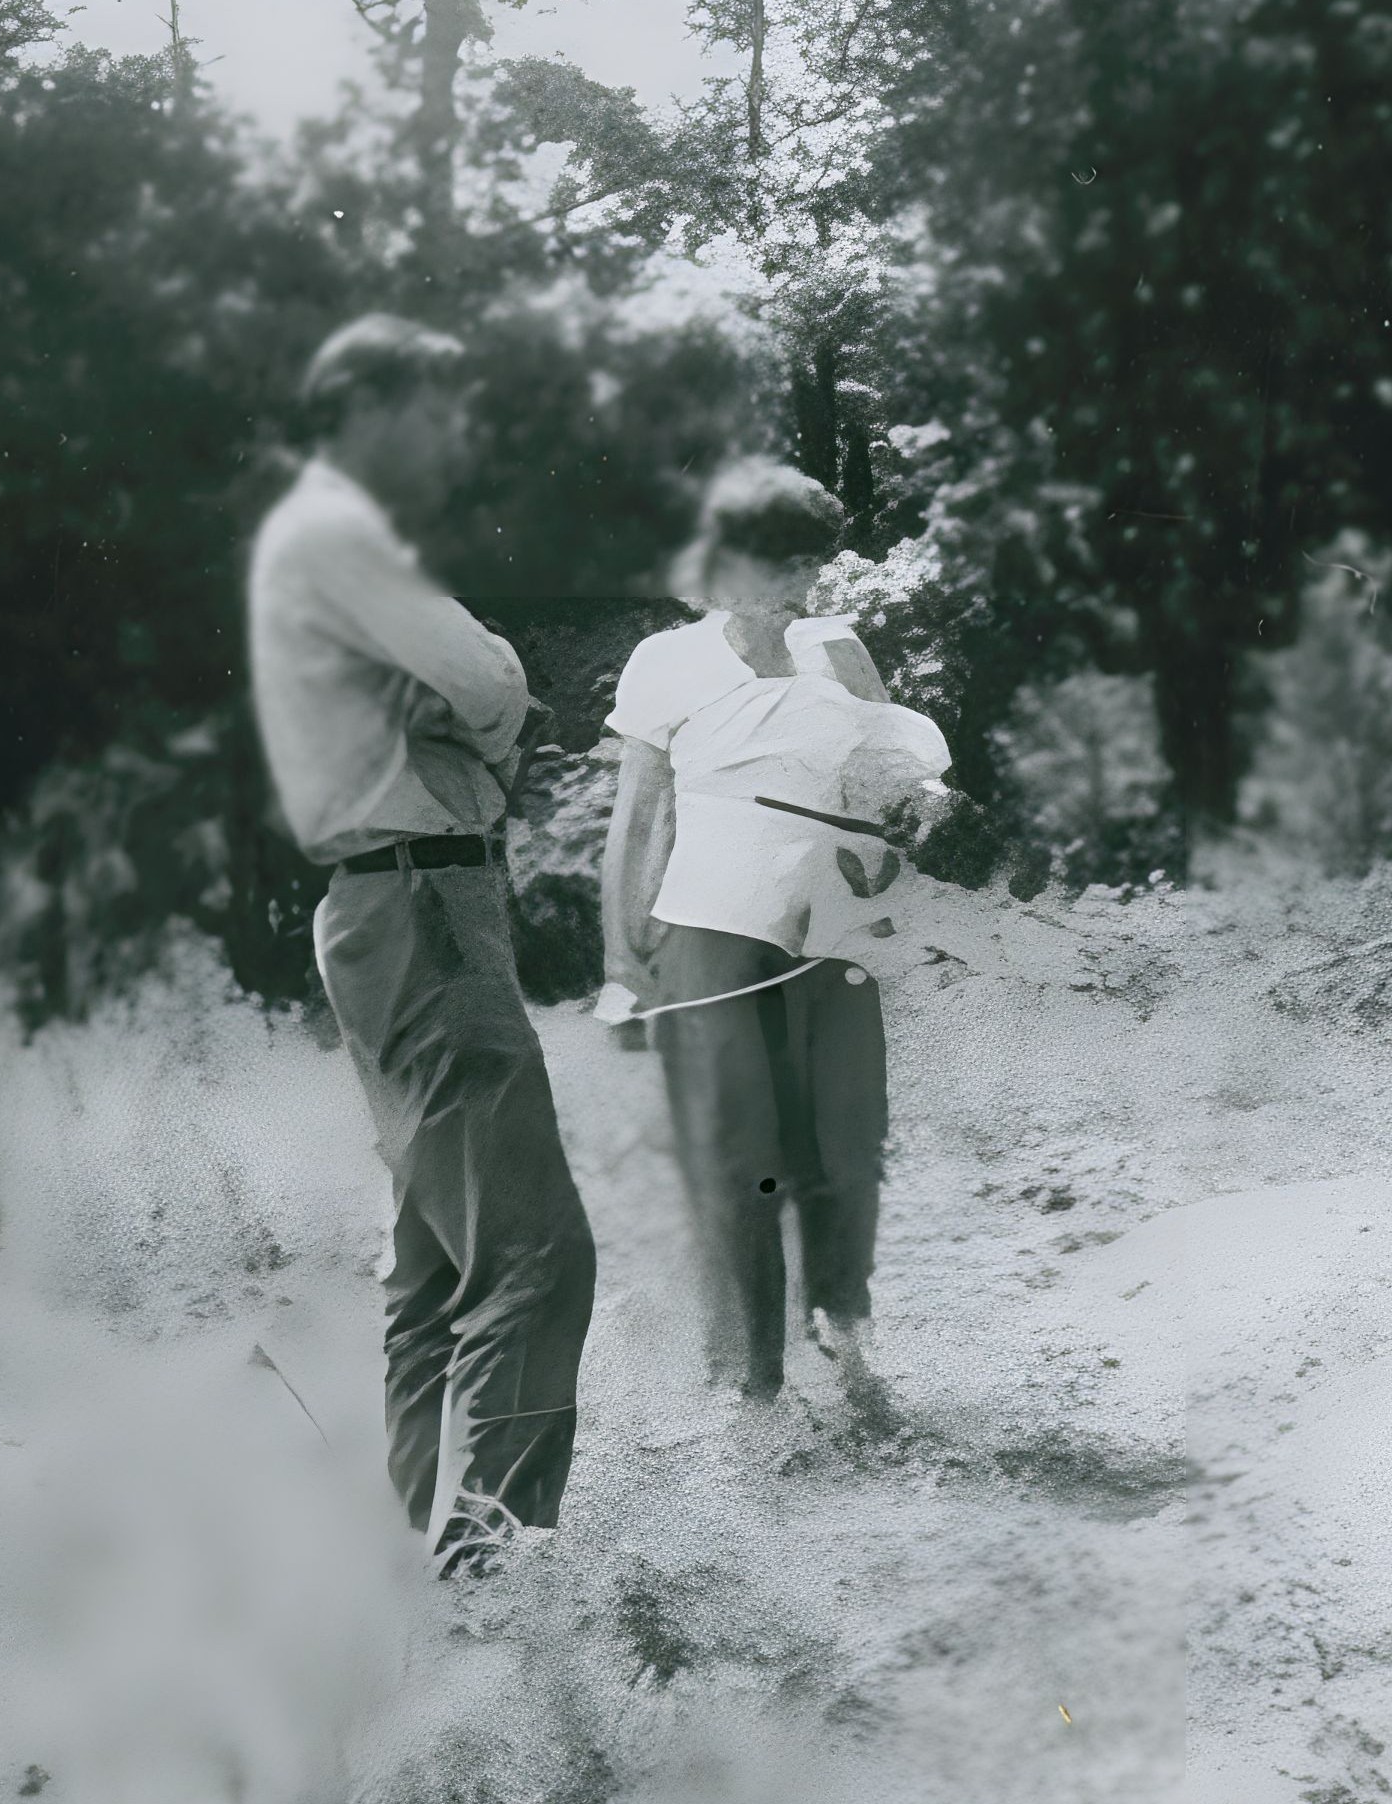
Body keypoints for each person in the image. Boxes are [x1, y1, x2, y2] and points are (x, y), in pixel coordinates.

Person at [247, 313, 596, 1577]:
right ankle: (491, 1596)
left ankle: (407, 1570)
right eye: (431, 413)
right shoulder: (339, 533)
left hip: (392, 910)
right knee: (538, 1260)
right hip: (424, 908)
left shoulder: (316, 540)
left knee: (438, 1270)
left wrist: (455, 716)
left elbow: (455, 692)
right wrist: (478, 720)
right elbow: (488, 676)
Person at [597, 460, 951, 1402]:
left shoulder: (839, 648)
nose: (800, 583)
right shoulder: (667, 662)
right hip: (709, 930)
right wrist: (619, 958)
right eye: (779, 562)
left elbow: (887, 770)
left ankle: (844, 1352)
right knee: (736, 1155)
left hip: (837, 930)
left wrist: (923, 810)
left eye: (810, 560)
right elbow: (636, 821)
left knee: (842, 1143)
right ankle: (749, 1384)